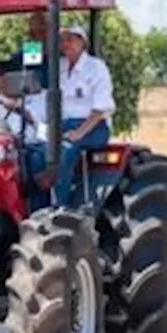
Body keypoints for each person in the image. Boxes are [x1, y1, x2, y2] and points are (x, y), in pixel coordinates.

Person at [53, 24, 115, 206]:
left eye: (70, 39)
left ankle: (59, 207)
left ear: (82, 42)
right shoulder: (60, 67)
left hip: (93, 127)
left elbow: (100, 109)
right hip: (63, 125)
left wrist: (79, 133)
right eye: (63, 40)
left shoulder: (96, 68)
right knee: (33, 151)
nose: (66, 44)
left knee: (65, 150)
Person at [0, 74, 49, 211]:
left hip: (34, 146)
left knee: (36, 160)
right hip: (5, 150)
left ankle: (39, 211)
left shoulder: (43, 99)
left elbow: (49, 133)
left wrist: (25, 114)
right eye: (0, 80)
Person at [0, 11, 51, 92]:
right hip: (33, 101)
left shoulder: (61, 53)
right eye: (33, 33)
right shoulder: (31, 52)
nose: (38, 37)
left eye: (42, 31)